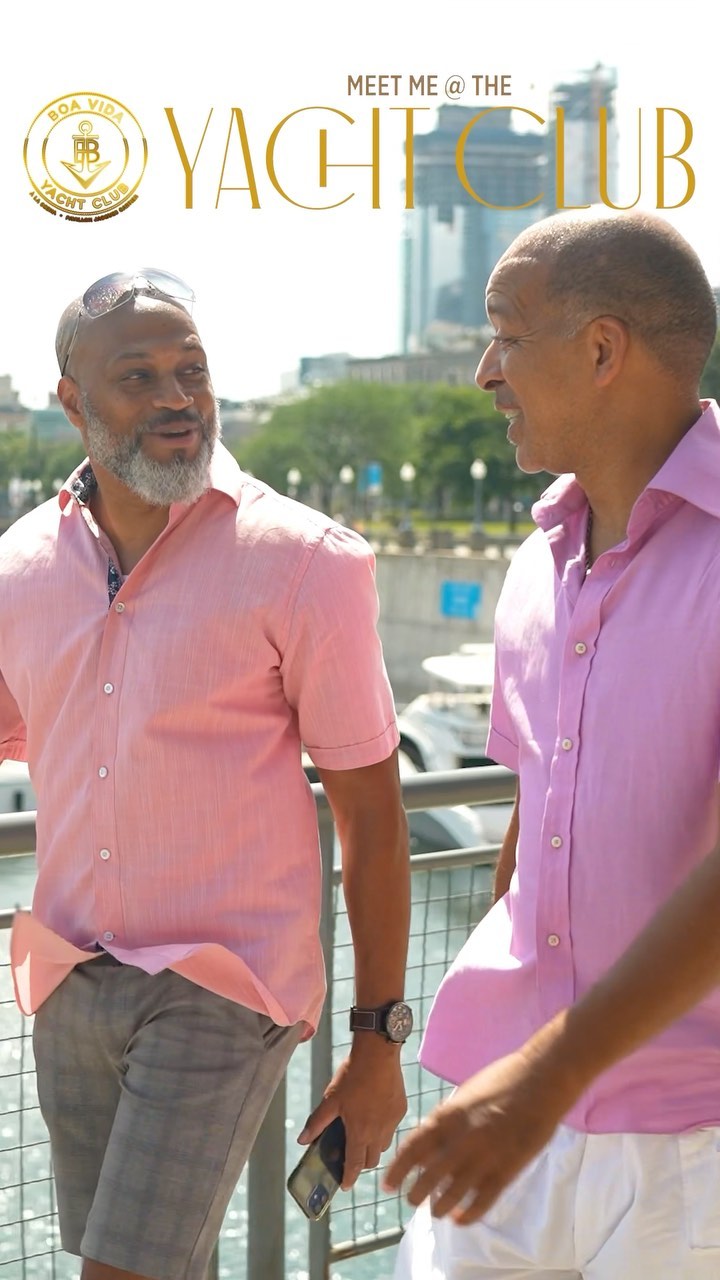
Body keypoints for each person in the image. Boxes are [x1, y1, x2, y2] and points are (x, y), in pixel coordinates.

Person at [0, 269, 412, 1280]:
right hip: (70, 971)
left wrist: (377, 1040)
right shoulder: (18, 567)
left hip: (223, 985)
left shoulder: (307, 560)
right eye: (138, 376)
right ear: (72, 403)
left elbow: (370, 812)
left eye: (191, 369)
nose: (177, 396)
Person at [384, 209, 720, 1279]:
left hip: (691, 1137)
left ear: (603, 348)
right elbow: (535, 820)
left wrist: (544, 1074)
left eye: (505, 334)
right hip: (513, 1107)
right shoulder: (537, 559)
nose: (485, 371)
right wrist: (517, 1069)